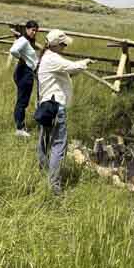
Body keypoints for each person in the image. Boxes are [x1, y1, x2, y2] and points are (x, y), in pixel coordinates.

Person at [36, 29, 92, 195]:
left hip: (46, 106)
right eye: (63, 44)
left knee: (44, 142)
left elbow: (67, 71)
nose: (65, 46)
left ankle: (44, 173)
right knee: (58, 146)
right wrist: (86, 62)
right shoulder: (53, 58)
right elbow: (73, 66)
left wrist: (79, 66)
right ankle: (55, 187)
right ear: (57, 44)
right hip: (55, 107)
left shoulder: (47, 57)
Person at [8, 20, 39, 137]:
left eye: (36, 30)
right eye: (32, 30)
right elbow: (13, 50)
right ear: (27, 29)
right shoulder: (24, 41)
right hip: (24, 72)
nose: (34, 32)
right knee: (22, 101)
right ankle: (19, 129)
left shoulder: (28, 41)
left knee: (23, 100)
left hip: (26, 72)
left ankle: (20, 126)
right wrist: (23, 59)